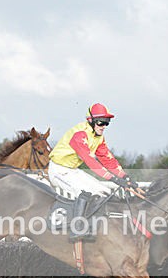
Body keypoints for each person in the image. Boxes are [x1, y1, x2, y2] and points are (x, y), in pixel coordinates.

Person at [48, 103, 137, 241]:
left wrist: (124, 176)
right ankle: (77, 229)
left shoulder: (99, 137)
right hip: (58, 170)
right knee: (86, 193)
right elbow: (90, 161)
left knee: (103, 192)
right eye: (101, 122)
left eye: (107, 123)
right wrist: (112, 178)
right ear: (91, 121)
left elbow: (107, 159)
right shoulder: (80, 135)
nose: (104, 126)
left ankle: (95, 227)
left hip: (72, 170)